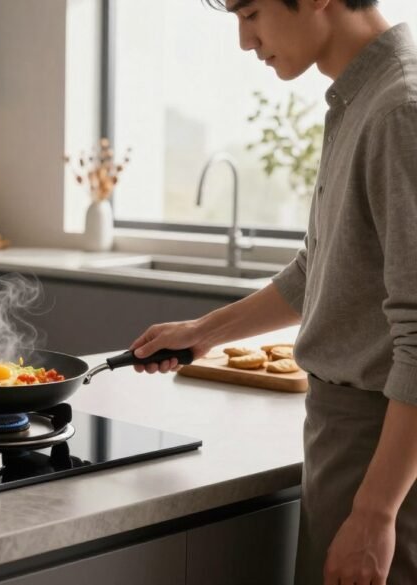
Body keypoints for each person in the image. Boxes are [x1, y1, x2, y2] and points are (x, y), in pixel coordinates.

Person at [127, 0, 417, 583]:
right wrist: (202, 333)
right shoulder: (360, 98)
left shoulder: (398, 111)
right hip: (347, 441)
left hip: (381, 452)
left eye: (251, 13)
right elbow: (320, 272)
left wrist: (374, 511)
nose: (244, 40)